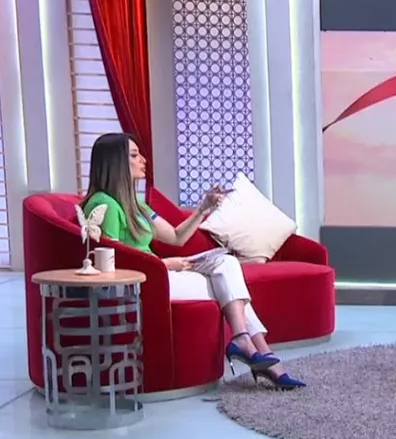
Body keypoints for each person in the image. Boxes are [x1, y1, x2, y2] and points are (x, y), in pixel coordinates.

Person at [81, 133, 306, 390]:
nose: (143, 160)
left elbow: (176, 236)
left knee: (227, 265)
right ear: (115, 163)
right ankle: (265, 358)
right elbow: (111, 262)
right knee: (227, 288)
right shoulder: (104, 205)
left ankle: (250, 345)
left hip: (161, 272)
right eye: (134, 155)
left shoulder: (137, 205)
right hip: (147, 283)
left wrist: (203, 208)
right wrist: (166, 265)